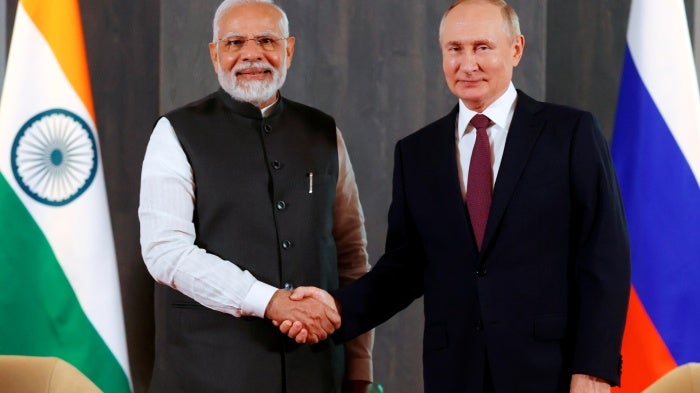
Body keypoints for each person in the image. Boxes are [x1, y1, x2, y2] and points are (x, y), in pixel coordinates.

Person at [281, 1, 631, 392]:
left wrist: (595, 368)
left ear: (515, 49)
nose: (467, 64)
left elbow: (604, 257)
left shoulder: (570, 134)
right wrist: (339, 309)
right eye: (455, 49)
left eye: (482, 47)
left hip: (551, 371)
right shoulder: (417, 152)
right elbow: (404, 267)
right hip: (455, 372)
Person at [138, 0, 373, 392]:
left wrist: (359, 365)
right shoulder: (174, 133)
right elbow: (166, 253)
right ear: (215, 54)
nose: (251, 54)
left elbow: (351, 255)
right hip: (205, 375)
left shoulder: (323, 132)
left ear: (289, 50)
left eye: (266, 40)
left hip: (316, 376)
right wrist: (270, 301)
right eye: (234, 43)